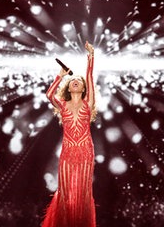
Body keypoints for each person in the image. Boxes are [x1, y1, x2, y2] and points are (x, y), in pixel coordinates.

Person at [42, 41, 97, 227]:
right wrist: (60, 76)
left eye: (79, 82)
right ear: (69, 86)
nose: (77, 81)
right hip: (67, 151)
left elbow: (89, 76)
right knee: (65, 192)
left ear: (83, 89)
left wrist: (91, 57)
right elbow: (49, 95)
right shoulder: (63, 105)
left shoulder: (88, 103)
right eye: (74, 80)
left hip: (85, 151)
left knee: (82, 192)